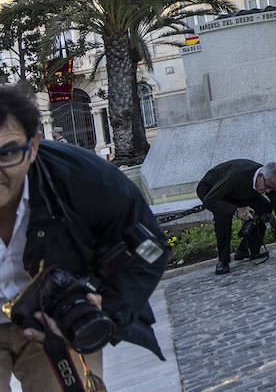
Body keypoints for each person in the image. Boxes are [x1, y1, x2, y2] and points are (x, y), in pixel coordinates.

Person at [0, 86, 168, 390]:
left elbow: (149, 247)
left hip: (56, 322)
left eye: (8, 152)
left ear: (34, 145)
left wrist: (102, 307)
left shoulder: (83, 178)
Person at [196, 160, 276, 275]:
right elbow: (210, 200)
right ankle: (223, 261)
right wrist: (236, 211)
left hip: (238, 190)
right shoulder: (237, 175)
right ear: (260, 176)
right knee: (223, 217)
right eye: (267, 187)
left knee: (265, 208)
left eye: (272, 189)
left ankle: (247, 250)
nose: (267, 191)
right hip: (213, 192)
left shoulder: (269, 180)